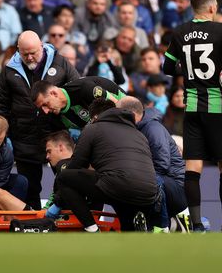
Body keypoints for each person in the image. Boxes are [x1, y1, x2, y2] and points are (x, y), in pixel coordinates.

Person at [0, 30, 79, 209]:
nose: (30, 57)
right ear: (18, 50)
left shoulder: (61, 63)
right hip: (24, 139)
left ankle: (70, 220)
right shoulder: (9, 70)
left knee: (68, 182)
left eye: (34, 53)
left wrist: (73, 126)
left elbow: (77, 92)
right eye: (25, 54)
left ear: (42, 46)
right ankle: (32, 225)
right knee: (30, 188)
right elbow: (0, 106)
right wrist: (4, 135)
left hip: (57, 137)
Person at [47, 99, 158, 231]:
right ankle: (136, 227)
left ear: (94, 117)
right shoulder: (139, 134)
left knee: (65, 178)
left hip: (119, 185)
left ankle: (92, 229)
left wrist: (58, 202)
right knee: (127, 226)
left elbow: (76, 166)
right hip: (149, 192)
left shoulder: (93, 129)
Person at [163, 0, 222, 232]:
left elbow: (167, 67)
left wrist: (186, 71)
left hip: (192, 106)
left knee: (193, 167)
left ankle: (196, 224)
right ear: (211, 8)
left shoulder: (180, 32)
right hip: (217, 107)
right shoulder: (220, 31)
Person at [117, 96, 188, 232]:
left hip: (175, 186)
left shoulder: (153, 129)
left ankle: (162, 226)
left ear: (131, 114)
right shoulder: (136, 129)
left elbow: (162, 165)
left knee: (144, 181)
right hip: (157, 181)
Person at [31, 76, 126, 130]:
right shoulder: (56, 116)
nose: (46, 111)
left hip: (126, 114)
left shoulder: (84, 89)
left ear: (54, 93)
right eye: (41, 108)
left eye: (45, 104)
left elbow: (118, 110)